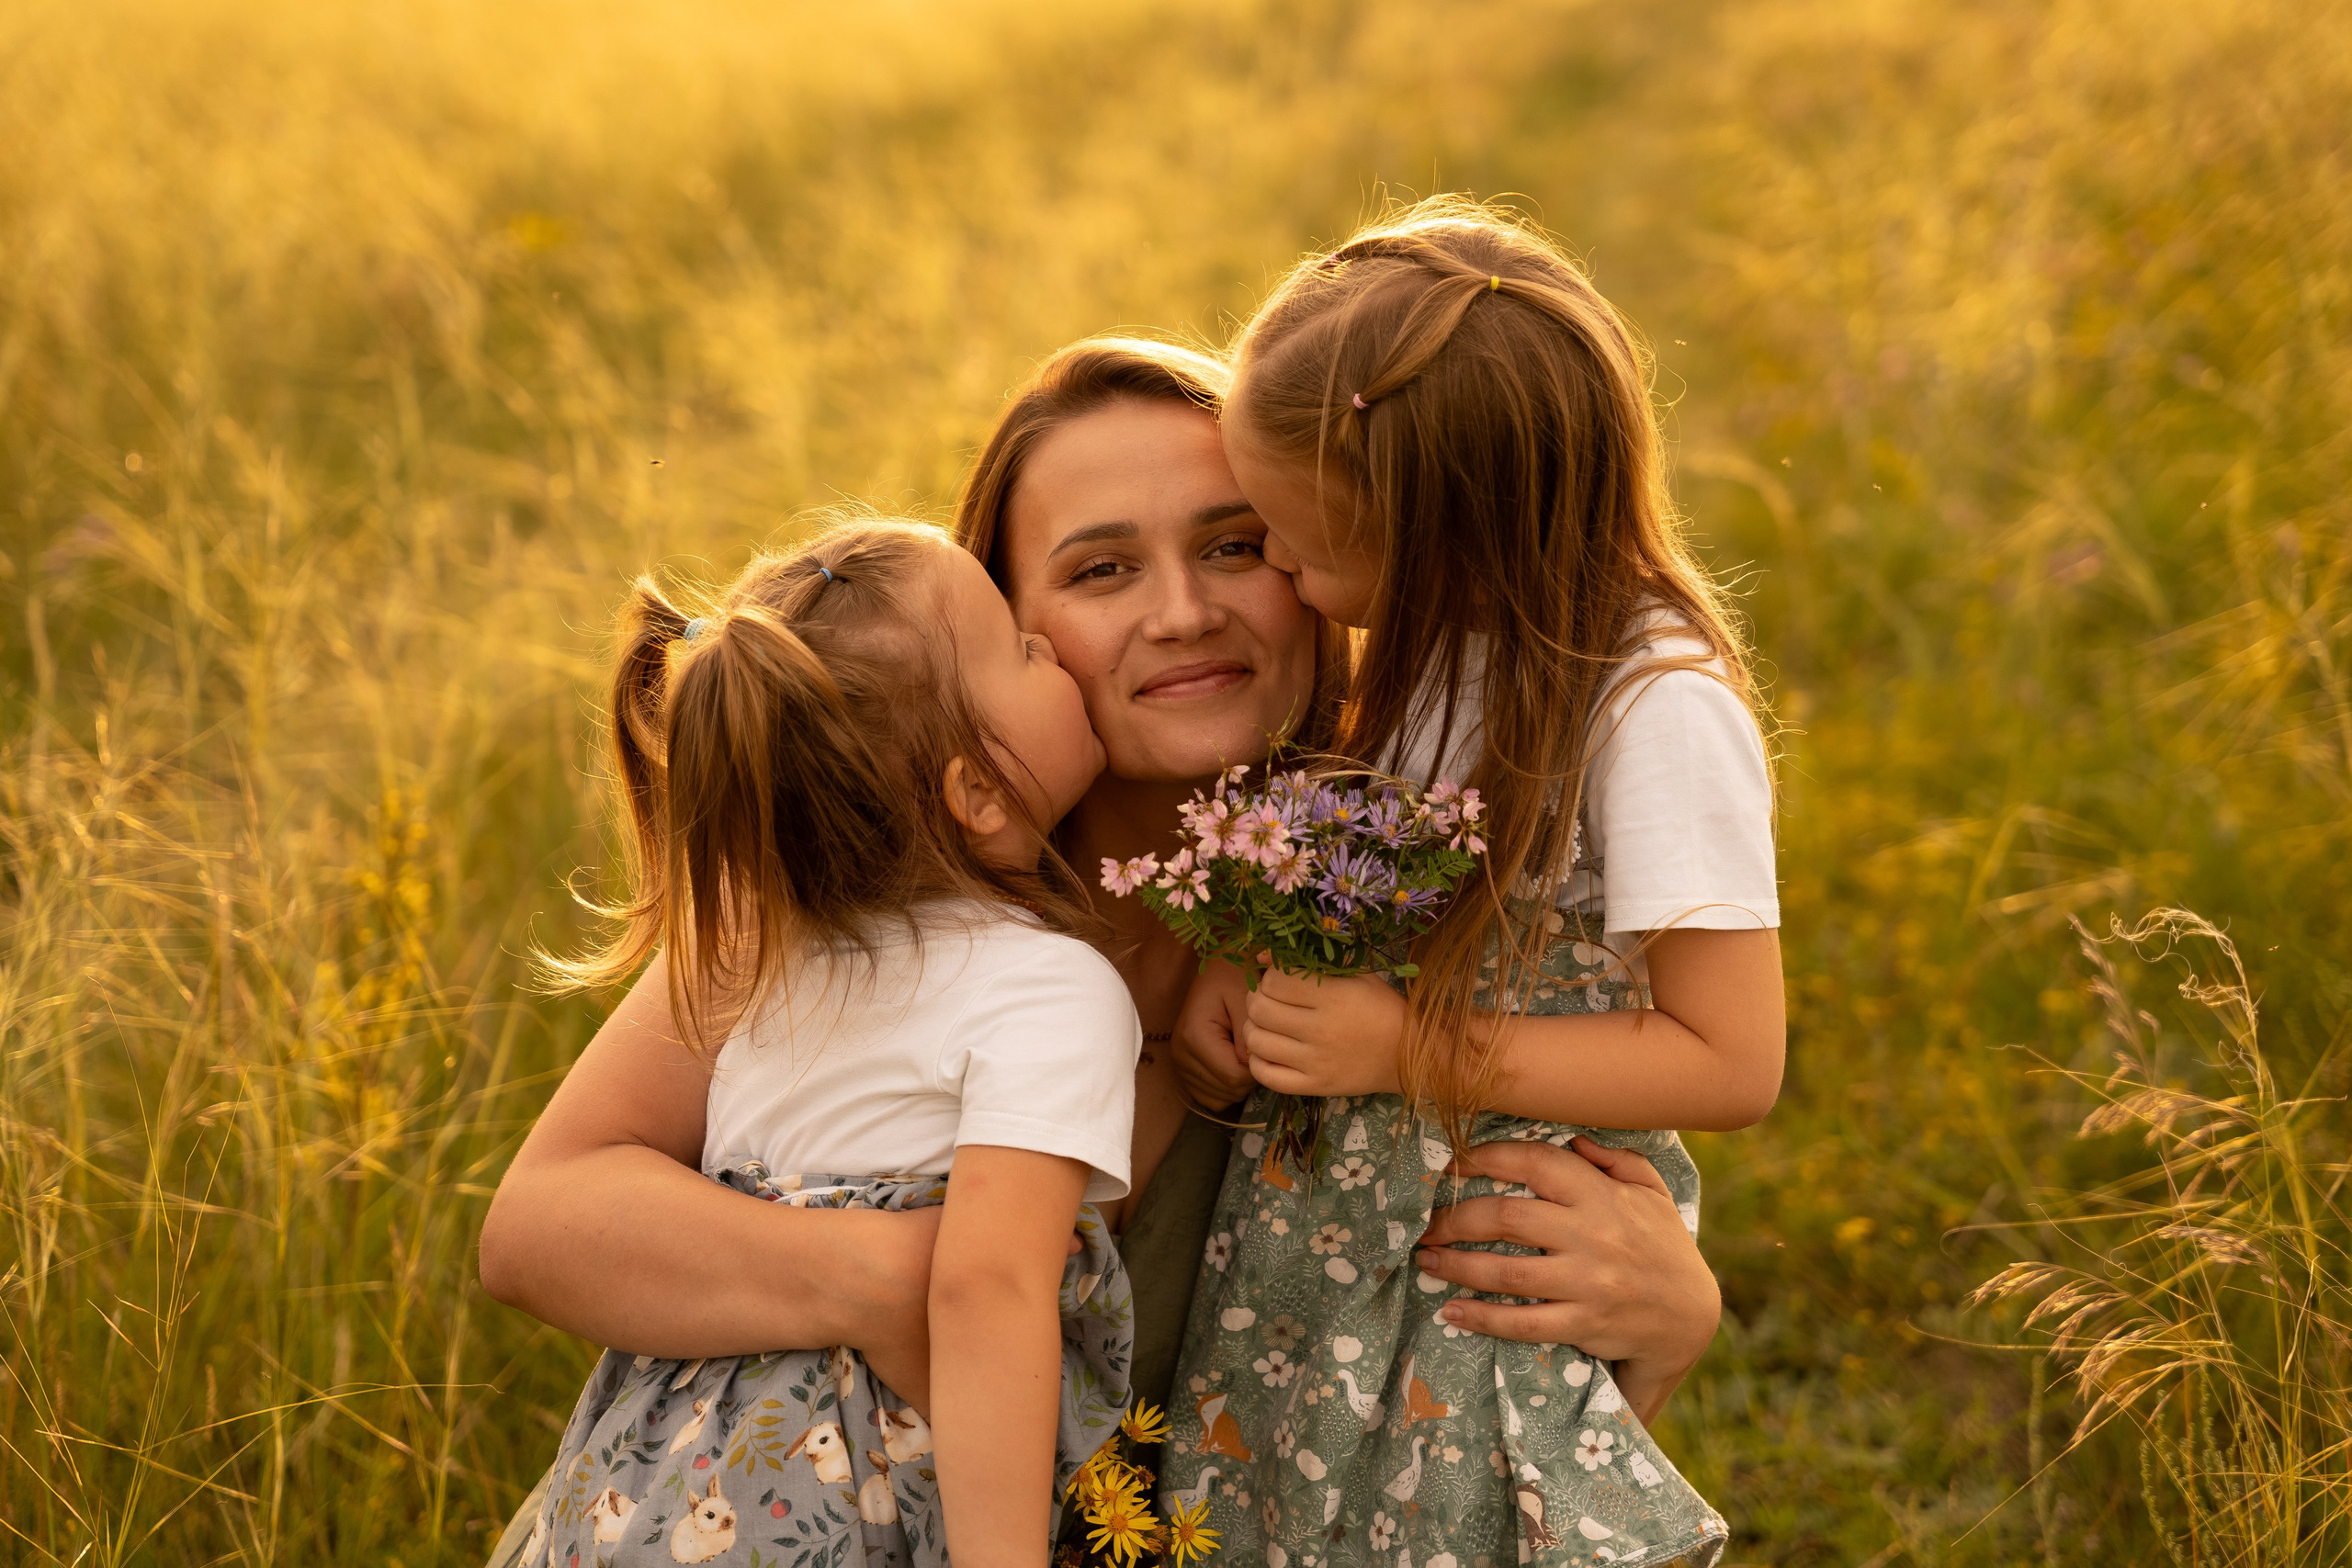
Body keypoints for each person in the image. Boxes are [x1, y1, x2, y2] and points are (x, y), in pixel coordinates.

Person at [479, 335, 1728, 1566]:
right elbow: (542, 1221)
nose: (1185, 612)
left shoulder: (1392, 904)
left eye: (1235, 544)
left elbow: (1455, 1450)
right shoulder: (855, 897)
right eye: (1100, 571)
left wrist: (1668, 1324)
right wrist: (915, 1275)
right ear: (1005, 626)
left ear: (1315, 556)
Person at [1162, 199, 1784, 1565]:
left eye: (1303, 540)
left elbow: (1731, 1057)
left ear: (1449, 533)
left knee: (1458, 1518)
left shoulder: (1651, 708)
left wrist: (1408, 1042)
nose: (1279, 570)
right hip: (1338, 1243)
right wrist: (1247, 954)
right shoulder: (1433, 644)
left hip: (1495, 1234)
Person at [512, 519, 1138, 1568]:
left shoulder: (771, 974)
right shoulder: (1051, 988)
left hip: (644, 1494)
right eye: (1020, 649)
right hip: (835, 1497)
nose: (1050, 648)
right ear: (975, 792)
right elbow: (990, 1291)